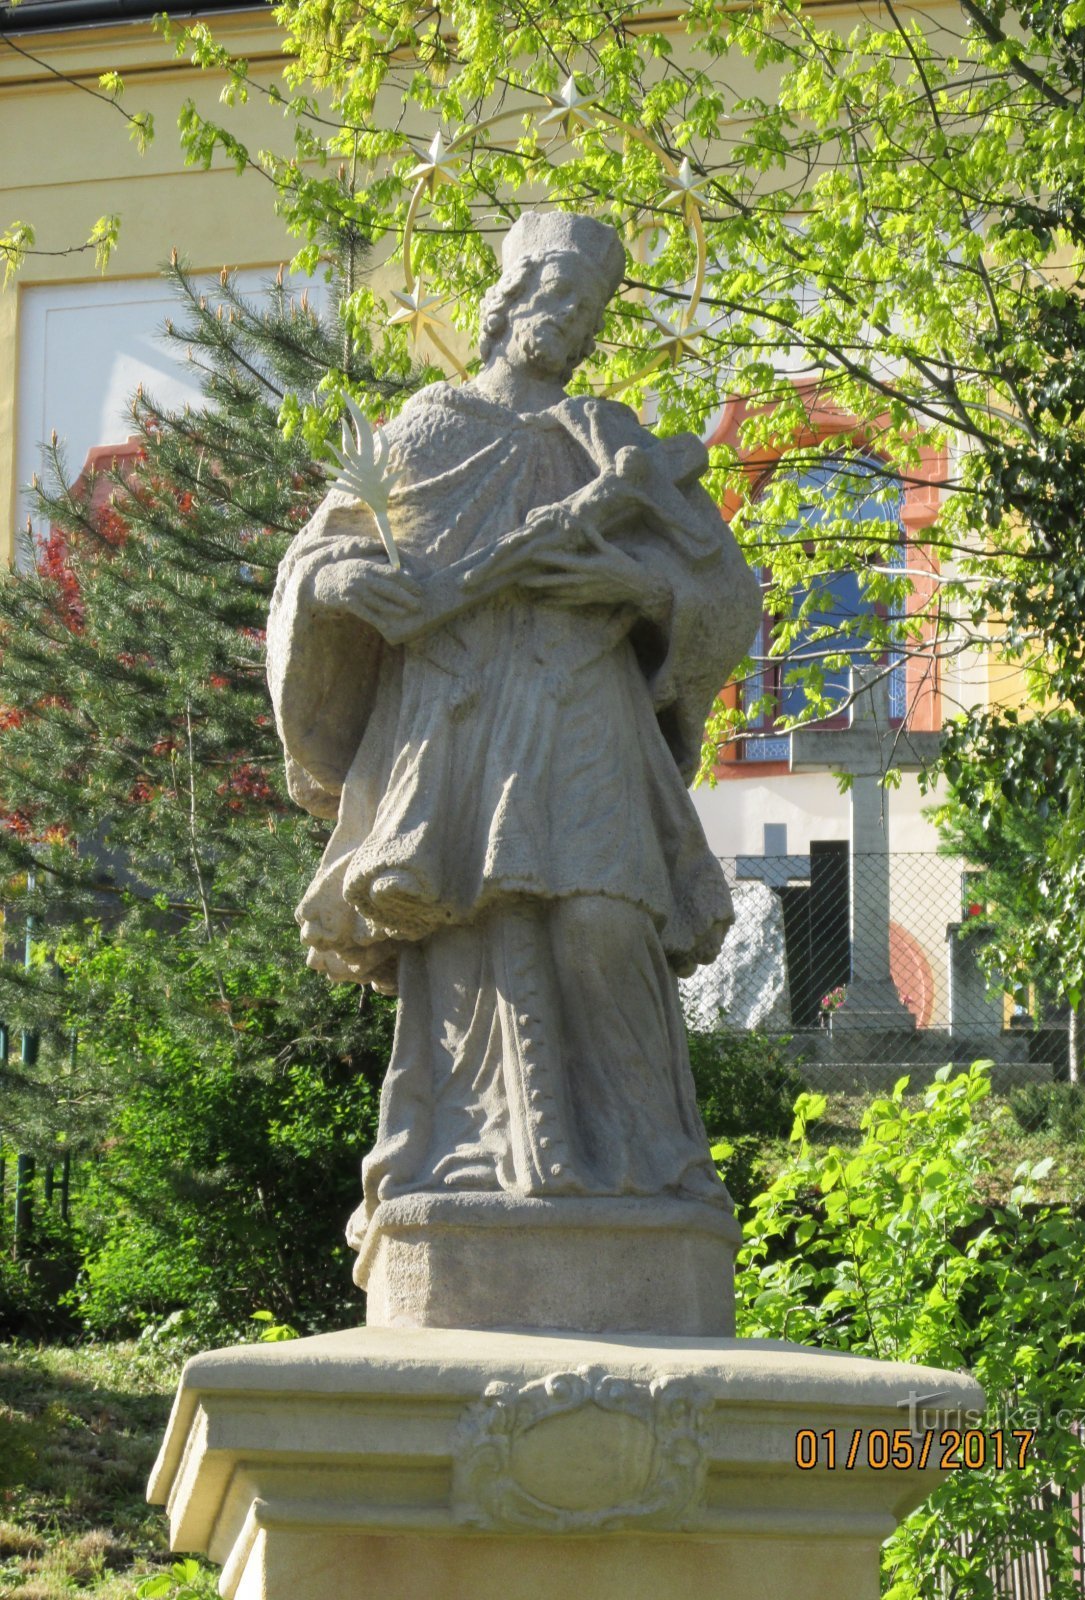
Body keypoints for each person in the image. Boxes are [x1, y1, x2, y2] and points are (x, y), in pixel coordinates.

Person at [266, 212, 761, 1250]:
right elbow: (316, 561)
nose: (572, 329)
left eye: (590, 315)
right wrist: (351, 582)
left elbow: (722, 589)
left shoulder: (610, 435)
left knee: (601, 917)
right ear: (510, 299)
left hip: (586, 698)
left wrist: (635, 586)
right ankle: (471, 1162)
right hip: (459, 709)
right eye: (559, 303)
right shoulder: (429, 428)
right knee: (474, 924)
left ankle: (651, 1172)